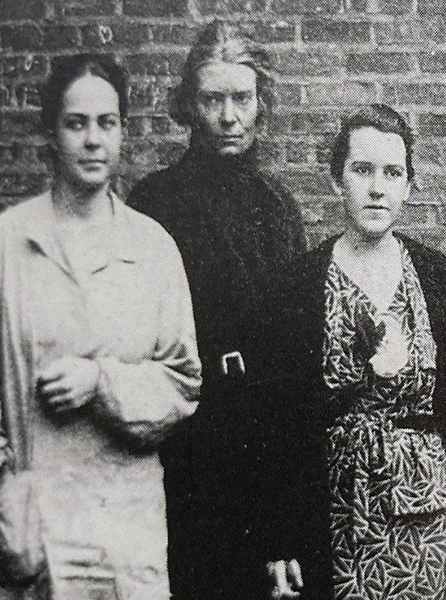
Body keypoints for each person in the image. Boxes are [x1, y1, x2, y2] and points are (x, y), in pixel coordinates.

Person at [0, 53, 200, 599]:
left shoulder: (152, 247)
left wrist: (100, 381)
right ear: (51, 134)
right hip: (39, 525)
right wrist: (1, 490)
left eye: (107, 123)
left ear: (122, 131)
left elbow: (183, 382)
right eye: (75, 123)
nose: (92, 141)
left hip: (127, 522)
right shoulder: (6, 244)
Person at [126, 20, 307, 600]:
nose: (229, 116)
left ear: (261, 103)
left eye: (242, 98)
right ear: (190, 106)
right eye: (213, 100)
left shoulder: (278, 209)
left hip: (260, 448)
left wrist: (285, 513)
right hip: (187, 450)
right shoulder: (155, 203)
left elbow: (291, 363)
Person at [262, 104, 446, 600]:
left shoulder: (433, 274)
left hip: (424, 508)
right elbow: (278, 419)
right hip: (336, 510)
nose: (378, 188)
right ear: (338, 181)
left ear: (409, 185)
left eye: (392, 173)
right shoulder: (300, 284)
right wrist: (281, 535)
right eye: (362, 170)